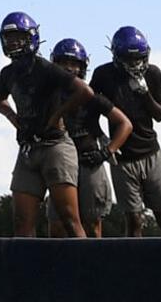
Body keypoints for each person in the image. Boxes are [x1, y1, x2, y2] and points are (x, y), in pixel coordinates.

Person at [0, 12, 93, 237]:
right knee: (21, 223)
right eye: (9, 38)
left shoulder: (45, 67)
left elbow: (84, 91)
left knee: (69, 219)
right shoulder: (8, 72)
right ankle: (27, 272)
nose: (13, 42)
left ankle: (87, 270)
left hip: (54, 146)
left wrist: (57, 115)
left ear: (32, 38)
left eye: (18, 37)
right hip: (28, 149)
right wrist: (13, 118)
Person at [90, 26, 161, 237]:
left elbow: (159, 114)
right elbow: (90, 111)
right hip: (123, 156)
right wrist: (101, 138)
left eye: (139, 58)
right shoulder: (104, 75)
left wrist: (144, 93)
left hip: (150, 151)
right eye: (129, 60)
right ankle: (133, 266)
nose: (135, 64)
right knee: (133, 218)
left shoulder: (153, 73)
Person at [45, 37, 131, 238]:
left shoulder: (91, 96)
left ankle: (94, 268)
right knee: (57, 226)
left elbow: (124, 124)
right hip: (60, 164)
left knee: (93, 225)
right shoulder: (47, 96)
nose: (68, 68)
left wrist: (106, 152)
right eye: (63, 63)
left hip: (89, 161)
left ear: (82, 67)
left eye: (74, 63)